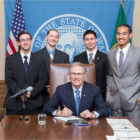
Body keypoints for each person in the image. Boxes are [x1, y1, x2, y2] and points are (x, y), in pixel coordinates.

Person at [43, 62, 108, 119]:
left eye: (79, 74)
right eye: (73, 74)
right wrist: (59, 113)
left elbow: (104, 110)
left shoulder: (94, 89)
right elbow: (47, 108)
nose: (76, 77)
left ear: (84, 76)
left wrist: (92, 114)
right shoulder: (61, 89)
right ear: (69, 76)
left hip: (87, 127)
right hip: (66, 128)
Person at [4, 31, 46, 115]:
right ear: (18, 43)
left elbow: (42, 80)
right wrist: (20, 93)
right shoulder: (10, 59)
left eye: (27, 39)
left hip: (35, 104)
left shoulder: (40, 59)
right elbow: (9, 80)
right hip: (15, 104)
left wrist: (32, 92)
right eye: (22, 40)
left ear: (31, 41)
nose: (25, 42)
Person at [106, 24, 140, 125]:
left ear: (130, 35)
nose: (120, 36)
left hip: (133, 101)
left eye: (124, 34)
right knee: (117, 132)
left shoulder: (138, 52)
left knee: (135, 133)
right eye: (118, 34)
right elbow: (110, 76)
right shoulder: (110, 53)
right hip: (115, 101)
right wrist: (108, 96)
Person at [35, 29, 69, 104]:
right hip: (40, 96)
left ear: (58, 39)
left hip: (60, 96)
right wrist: (45, 86)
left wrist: (55, 86)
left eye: (56, 37)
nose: (53, 39)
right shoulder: (36, 55)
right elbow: (34, 75)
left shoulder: (65, 56)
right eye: (51, 36)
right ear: (46, 37)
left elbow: (66, 76)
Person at [74, 30, 108, 101]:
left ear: (96, 40)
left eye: (92, 39)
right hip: (82, 97)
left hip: (100, 96)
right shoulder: (77, 58)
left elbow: (107, 79)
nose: (89, 42)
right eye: (87, 39)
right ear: (84, 41)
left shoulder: (105, 57)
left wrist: (106, 98)